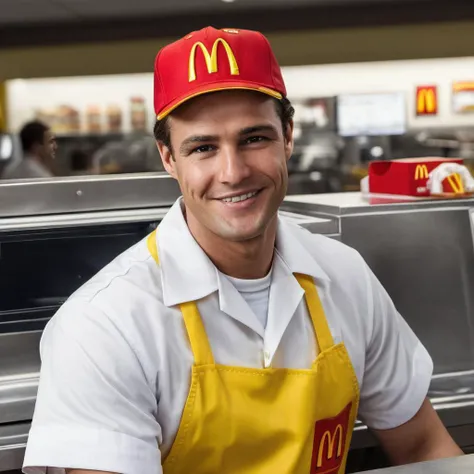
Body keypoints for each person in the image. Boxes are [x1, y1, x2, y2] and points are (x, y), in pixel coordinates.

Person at [22, 27, 462, 474]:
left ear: (287, 136)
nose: (233, 172)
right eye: (204, 147)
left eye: (254, 139)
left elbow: (423, 446)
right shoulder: (105, 326)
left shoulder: (345, 276)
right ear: (168, 158)